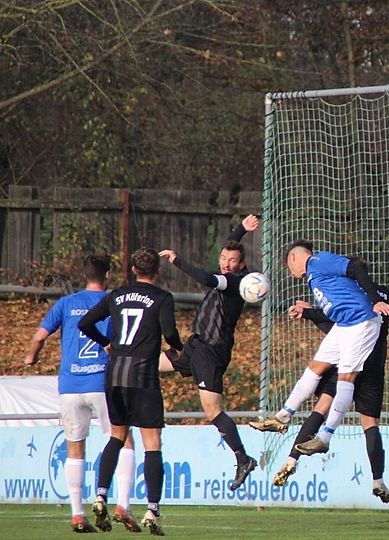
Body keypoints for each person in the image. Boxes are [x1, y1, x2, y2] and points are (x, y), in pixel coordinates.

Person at [265, 257, 389, 504]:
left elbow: (333, 323)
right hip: (373, 367)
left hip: (350, 358)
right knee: (369, 424)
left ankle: (291, 459)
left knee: (321, 408)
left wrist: (308, 314)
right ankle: (378, 480)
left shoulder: (348, 293)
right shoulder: (383, 295)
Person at [23, 255, 139, 533]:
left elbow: (39, 337)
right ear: (108, 275)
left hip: (71, 387)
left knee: (75, 448)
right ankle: (123, 504)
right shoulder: (115, 302)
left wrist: (31, 356)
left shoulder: (66, 303)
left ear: (85, 275)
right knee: (125, 440)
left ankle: (77, 514)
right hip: (103, 383)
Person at [248, 241, 389, 455]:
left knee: (345, 378)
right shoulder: (315, 276)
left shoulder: (319, 260)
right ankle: (283, 417)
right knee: (316, 367)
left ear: (294, 258)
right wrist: (307, 312)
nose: (291, 273)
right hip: (344, 324)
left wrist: (374, 301)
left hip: (362, 321)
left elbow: (354, 268)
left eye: (290, 267)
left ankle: (324, 437)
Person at [78, 248, 183, 536]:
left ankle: (100, 495)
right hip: (143, 375)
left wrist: (106, 342)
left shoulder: (116, 295)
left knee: (117, 436)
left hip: (114, 374)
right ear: (157, 271)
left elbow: (84, 323)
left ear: (133, 270)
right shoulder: (162, 297)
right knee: (152, 442)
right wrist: (179, 348)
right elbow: (170, 333)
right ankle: (152, 508)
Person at [157, 214, 260, 491]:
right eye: (224, 258)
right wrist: (240, 231)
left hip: (211, 353)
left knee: (213, 411)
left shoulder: (236, 283)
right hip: (195, 345)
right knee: (144, 363)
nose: (226, 263)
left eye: (232, 261)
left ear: (242, 266)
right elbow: (230, 250)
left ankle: (243, 458)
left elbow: (205, 277)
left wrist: (177, 260)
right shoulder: (230, 270)